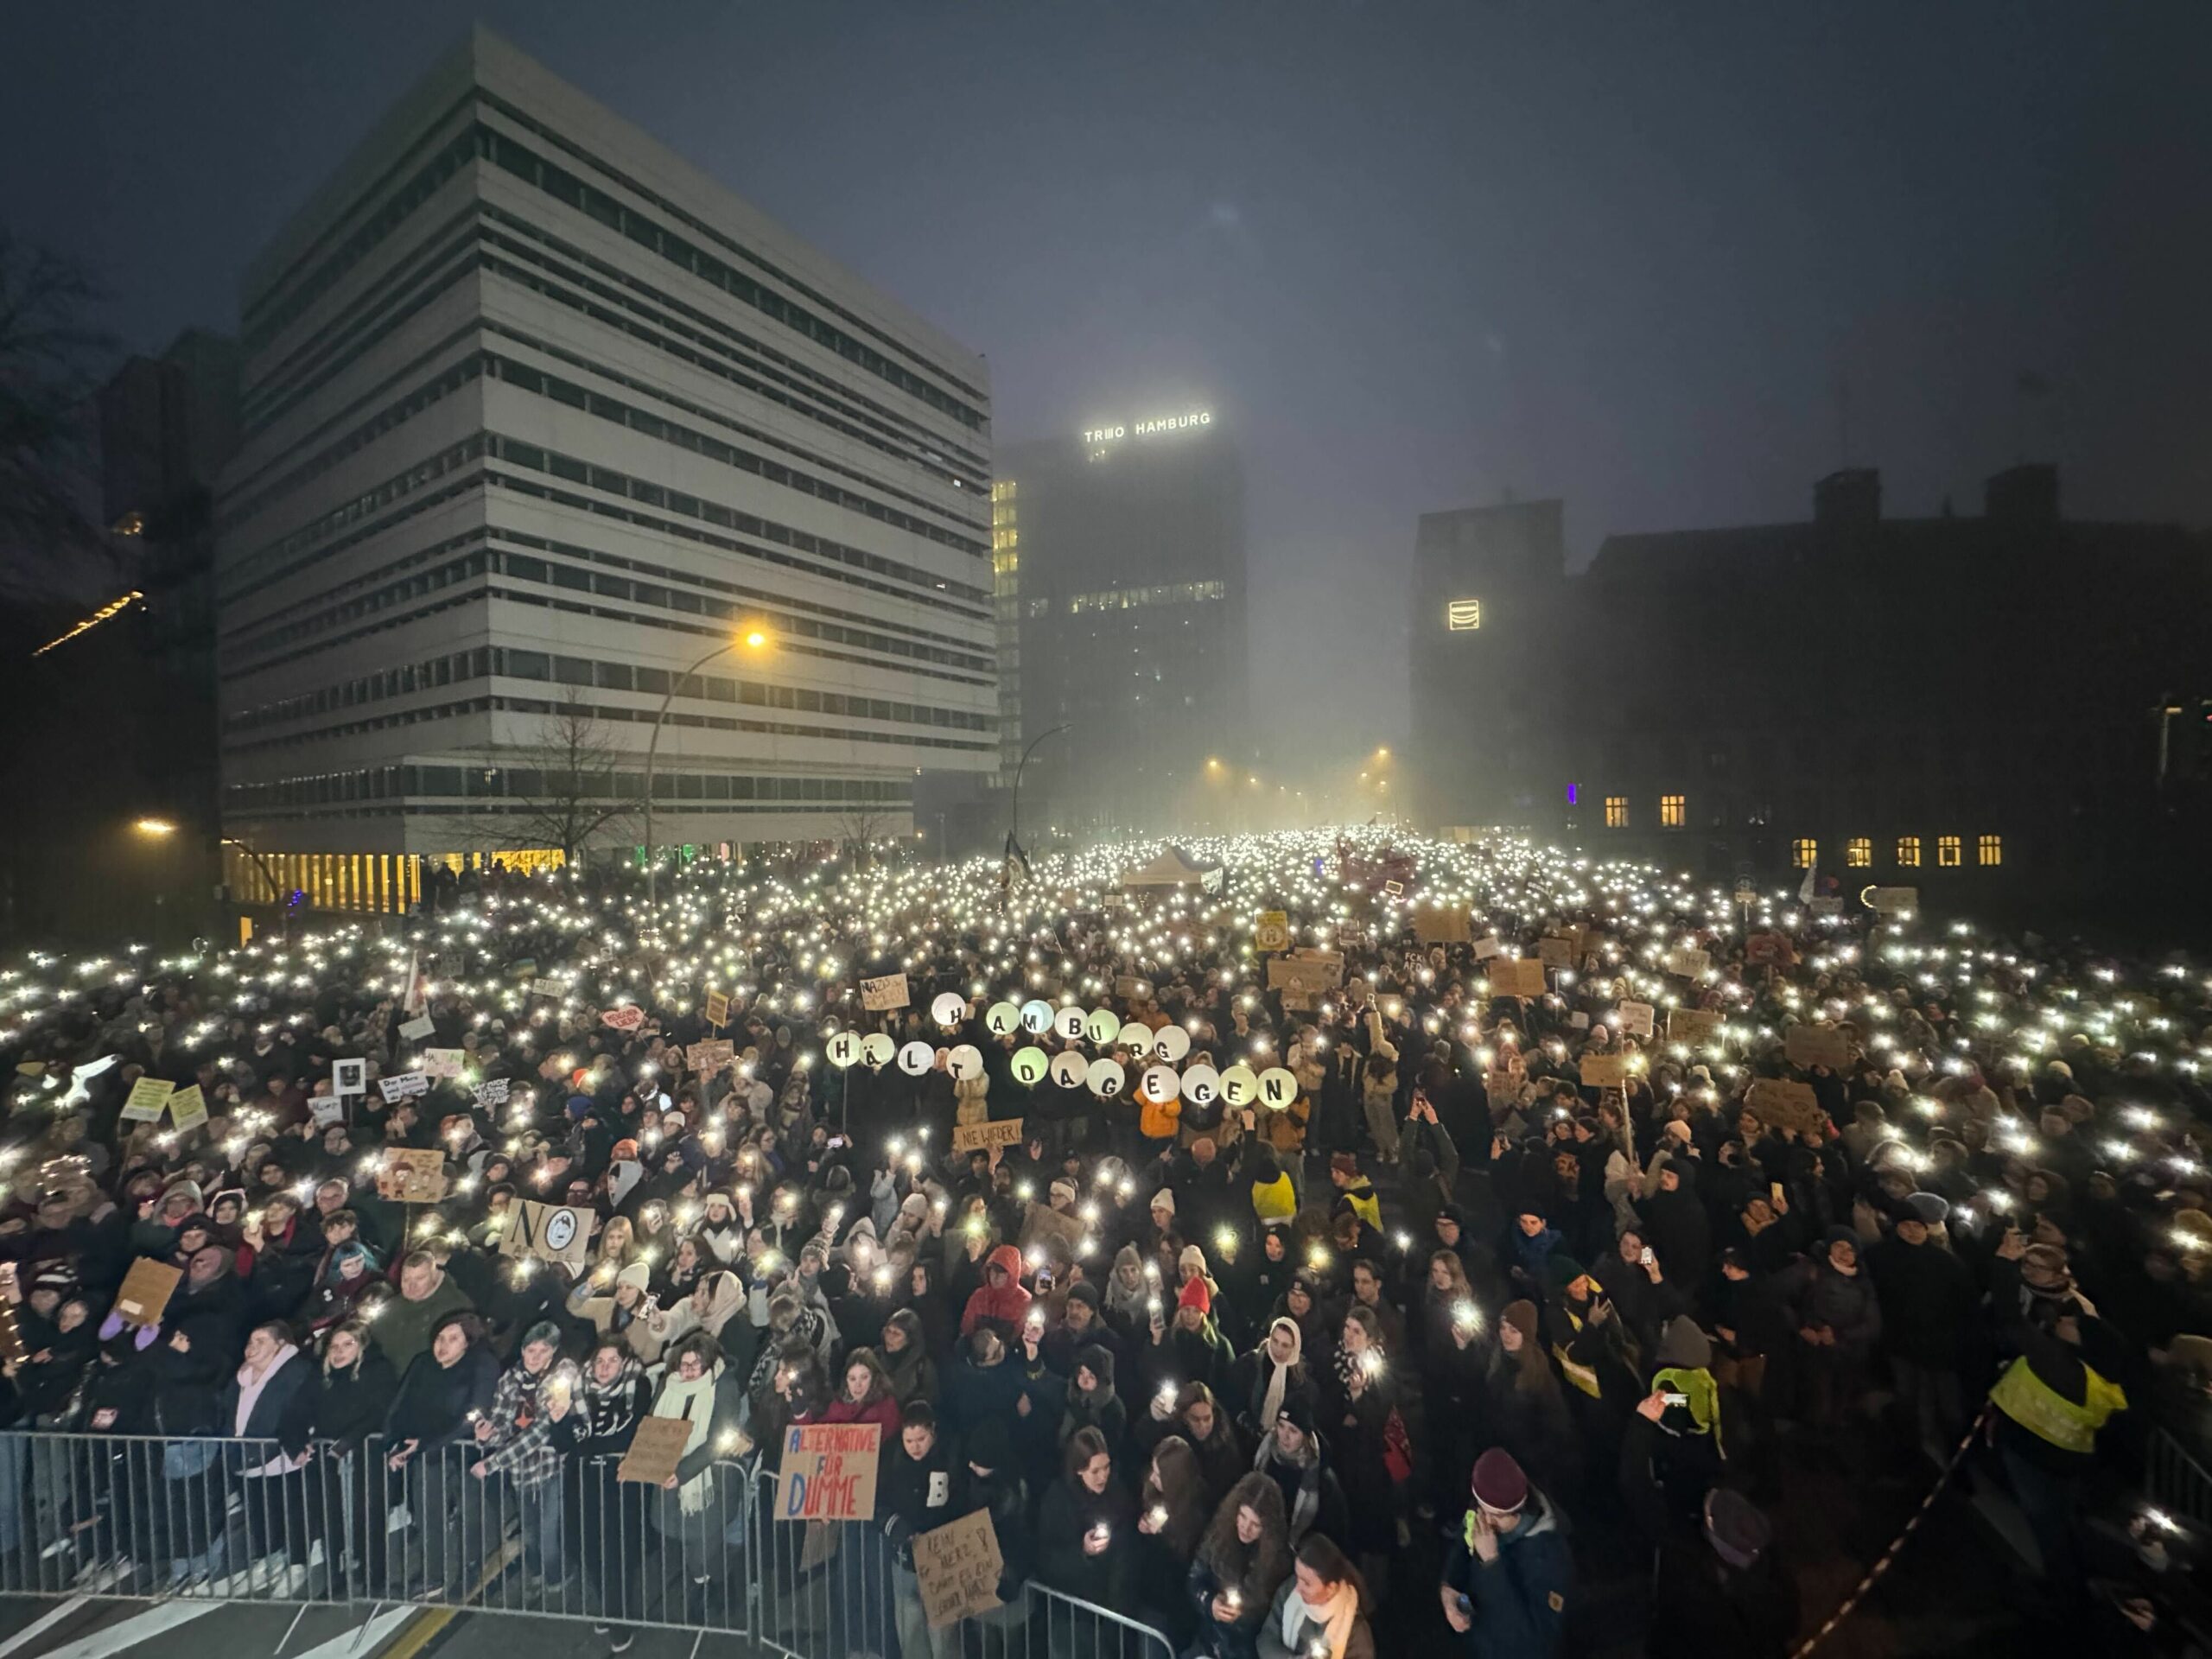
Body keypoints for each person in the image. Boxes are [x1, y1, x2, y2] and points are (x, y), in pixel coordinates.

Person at [1439, 1449, 1572, 1659]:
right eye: (1481, 1510)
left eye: (1497, 1516)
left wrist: (1492, 1563)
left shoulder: (1549, 1556)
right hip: (1478, 1647)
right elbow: (1462, 1550)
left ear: (1519, 1510)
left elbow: (1535, 1645)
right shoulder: (1481, 1515)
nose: (1486, 1523)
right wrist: (1448, 1590)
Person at [1185, 1473, 1293, 1659]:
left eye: (1255, 1525)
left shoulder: (1279, 1562)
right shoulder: (1219, 1535)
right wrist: (1210, 1602)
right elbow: (1195, 1577)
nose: (1245, 1527)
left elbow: (1271, 1622)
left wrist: (1242, 1616)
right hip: (1209, 1641)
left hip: (1245, 1650)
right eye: (1242, 1516)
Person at [1038, 1425, 1135, 1611]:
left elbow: (1126, 1548)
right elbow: (1047, 1558)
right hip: (1074, 1607)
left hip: (1111, 1604)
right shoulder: (1058, 1499)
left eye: (1106, 1467)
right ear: (1079, 1470)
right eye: (1095, 1471)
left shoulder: (1118, 1493)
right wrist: (1083, 1553)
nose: (1103, 1476)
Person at [1257, 1532, 1375, 1659]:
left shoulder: (1355, 1630)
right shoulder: (1288, 1590)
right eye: (1298, 1577)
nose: (1297, 1589)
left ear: (1331, 1588)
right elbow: (1267, 1638)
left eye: (1307, 1583)